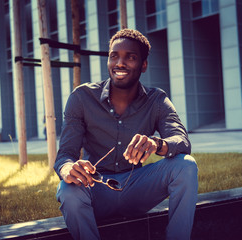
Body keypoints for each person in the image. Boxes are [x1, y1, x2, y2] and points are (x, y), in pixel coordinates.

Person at [54, 29, 198, 240]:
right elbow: (65, 154)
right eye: (114, 56)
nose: (120, 63)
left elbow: (181, 141)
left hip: (137, 189)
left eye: (130, 57)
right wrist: (68, 168)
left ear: (144, 65)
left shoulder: (157, 100)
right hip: (95, 188)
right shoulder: (82, 97)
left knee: (186, 165)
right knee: (67, 189)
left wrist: (155, 144)